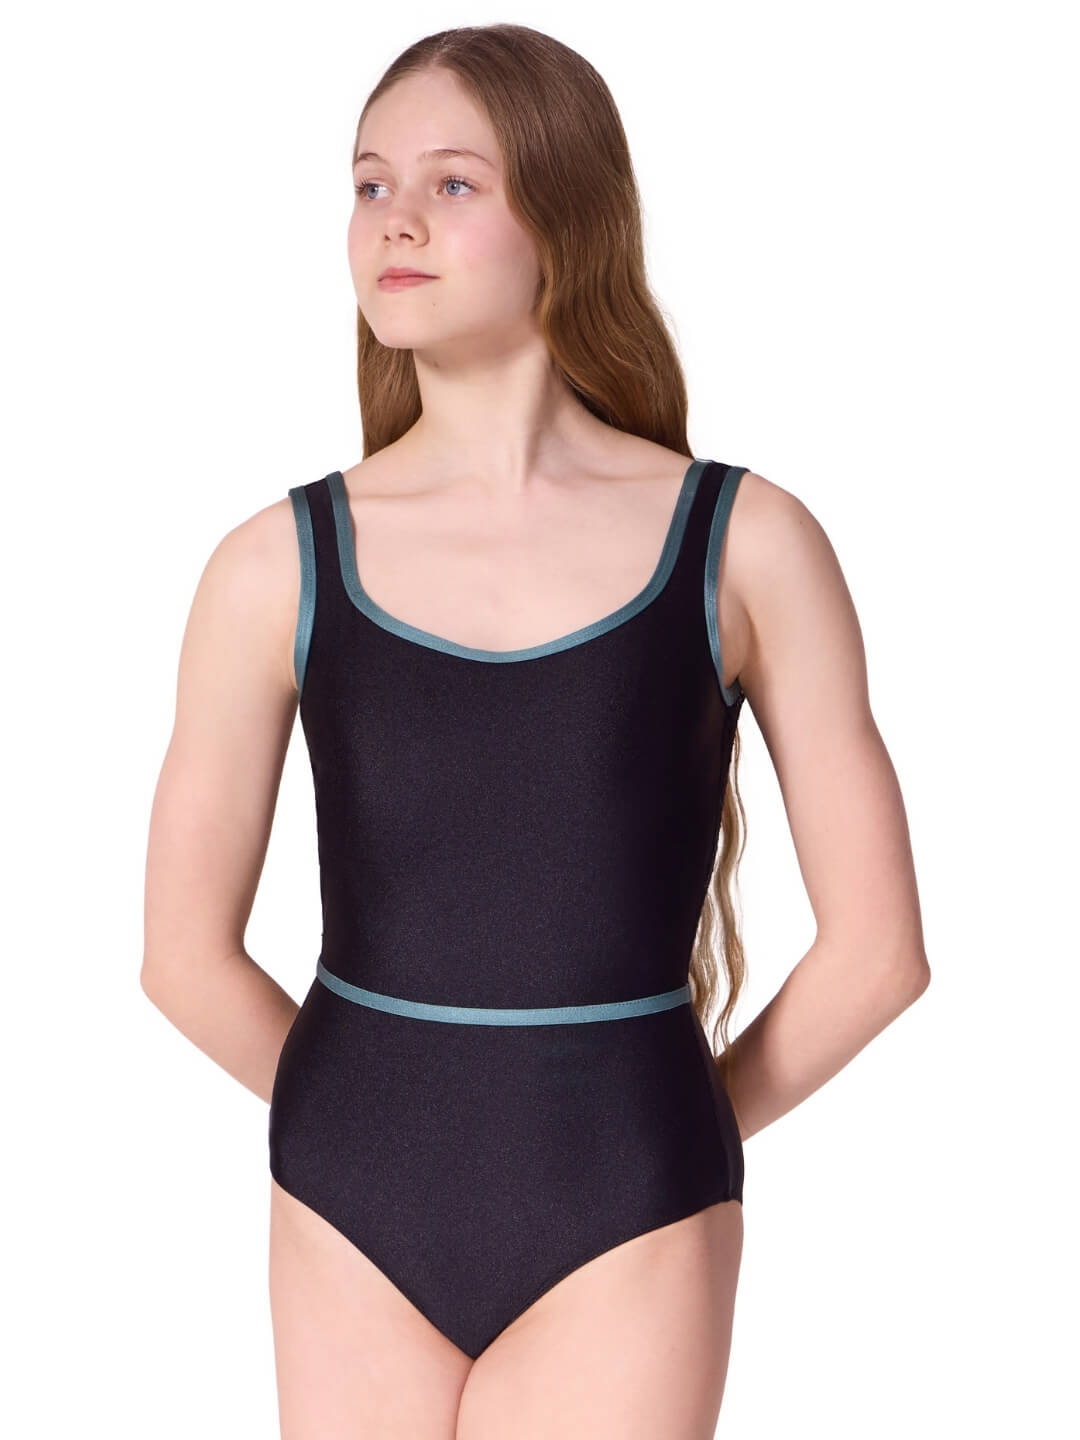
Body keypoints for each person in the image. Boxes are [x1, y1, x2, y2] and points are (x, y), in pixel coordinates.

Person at [140, 22, 931, 1439]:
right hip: (349, 1208)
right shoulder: (273, 566)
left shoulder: (747, 545)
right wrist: (374, 1115)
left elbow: (879, 955)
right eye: (369, 183)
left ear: (569, 219)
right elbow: (179, 959)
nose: (395, 219)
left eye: (452, 184)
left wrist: (663, 1126)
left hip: (628, 1208)